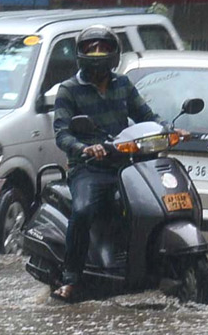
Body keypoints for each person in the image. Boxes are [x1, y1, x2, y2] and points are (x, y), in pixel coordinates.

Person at [51, 25, 164, 302]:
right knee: (83, 210)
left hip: (127, 165)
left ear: (114, 52)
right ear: (81, 54)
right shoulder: (69, 90)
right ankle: (72, 278)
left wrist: (168, 130)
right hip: (88, 169)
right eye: (92, 48)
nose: (98, 53)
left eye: (103, 47)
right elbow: (62, 134)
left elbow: (146, 117)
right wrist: (85, 148)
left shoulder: (123, 85)